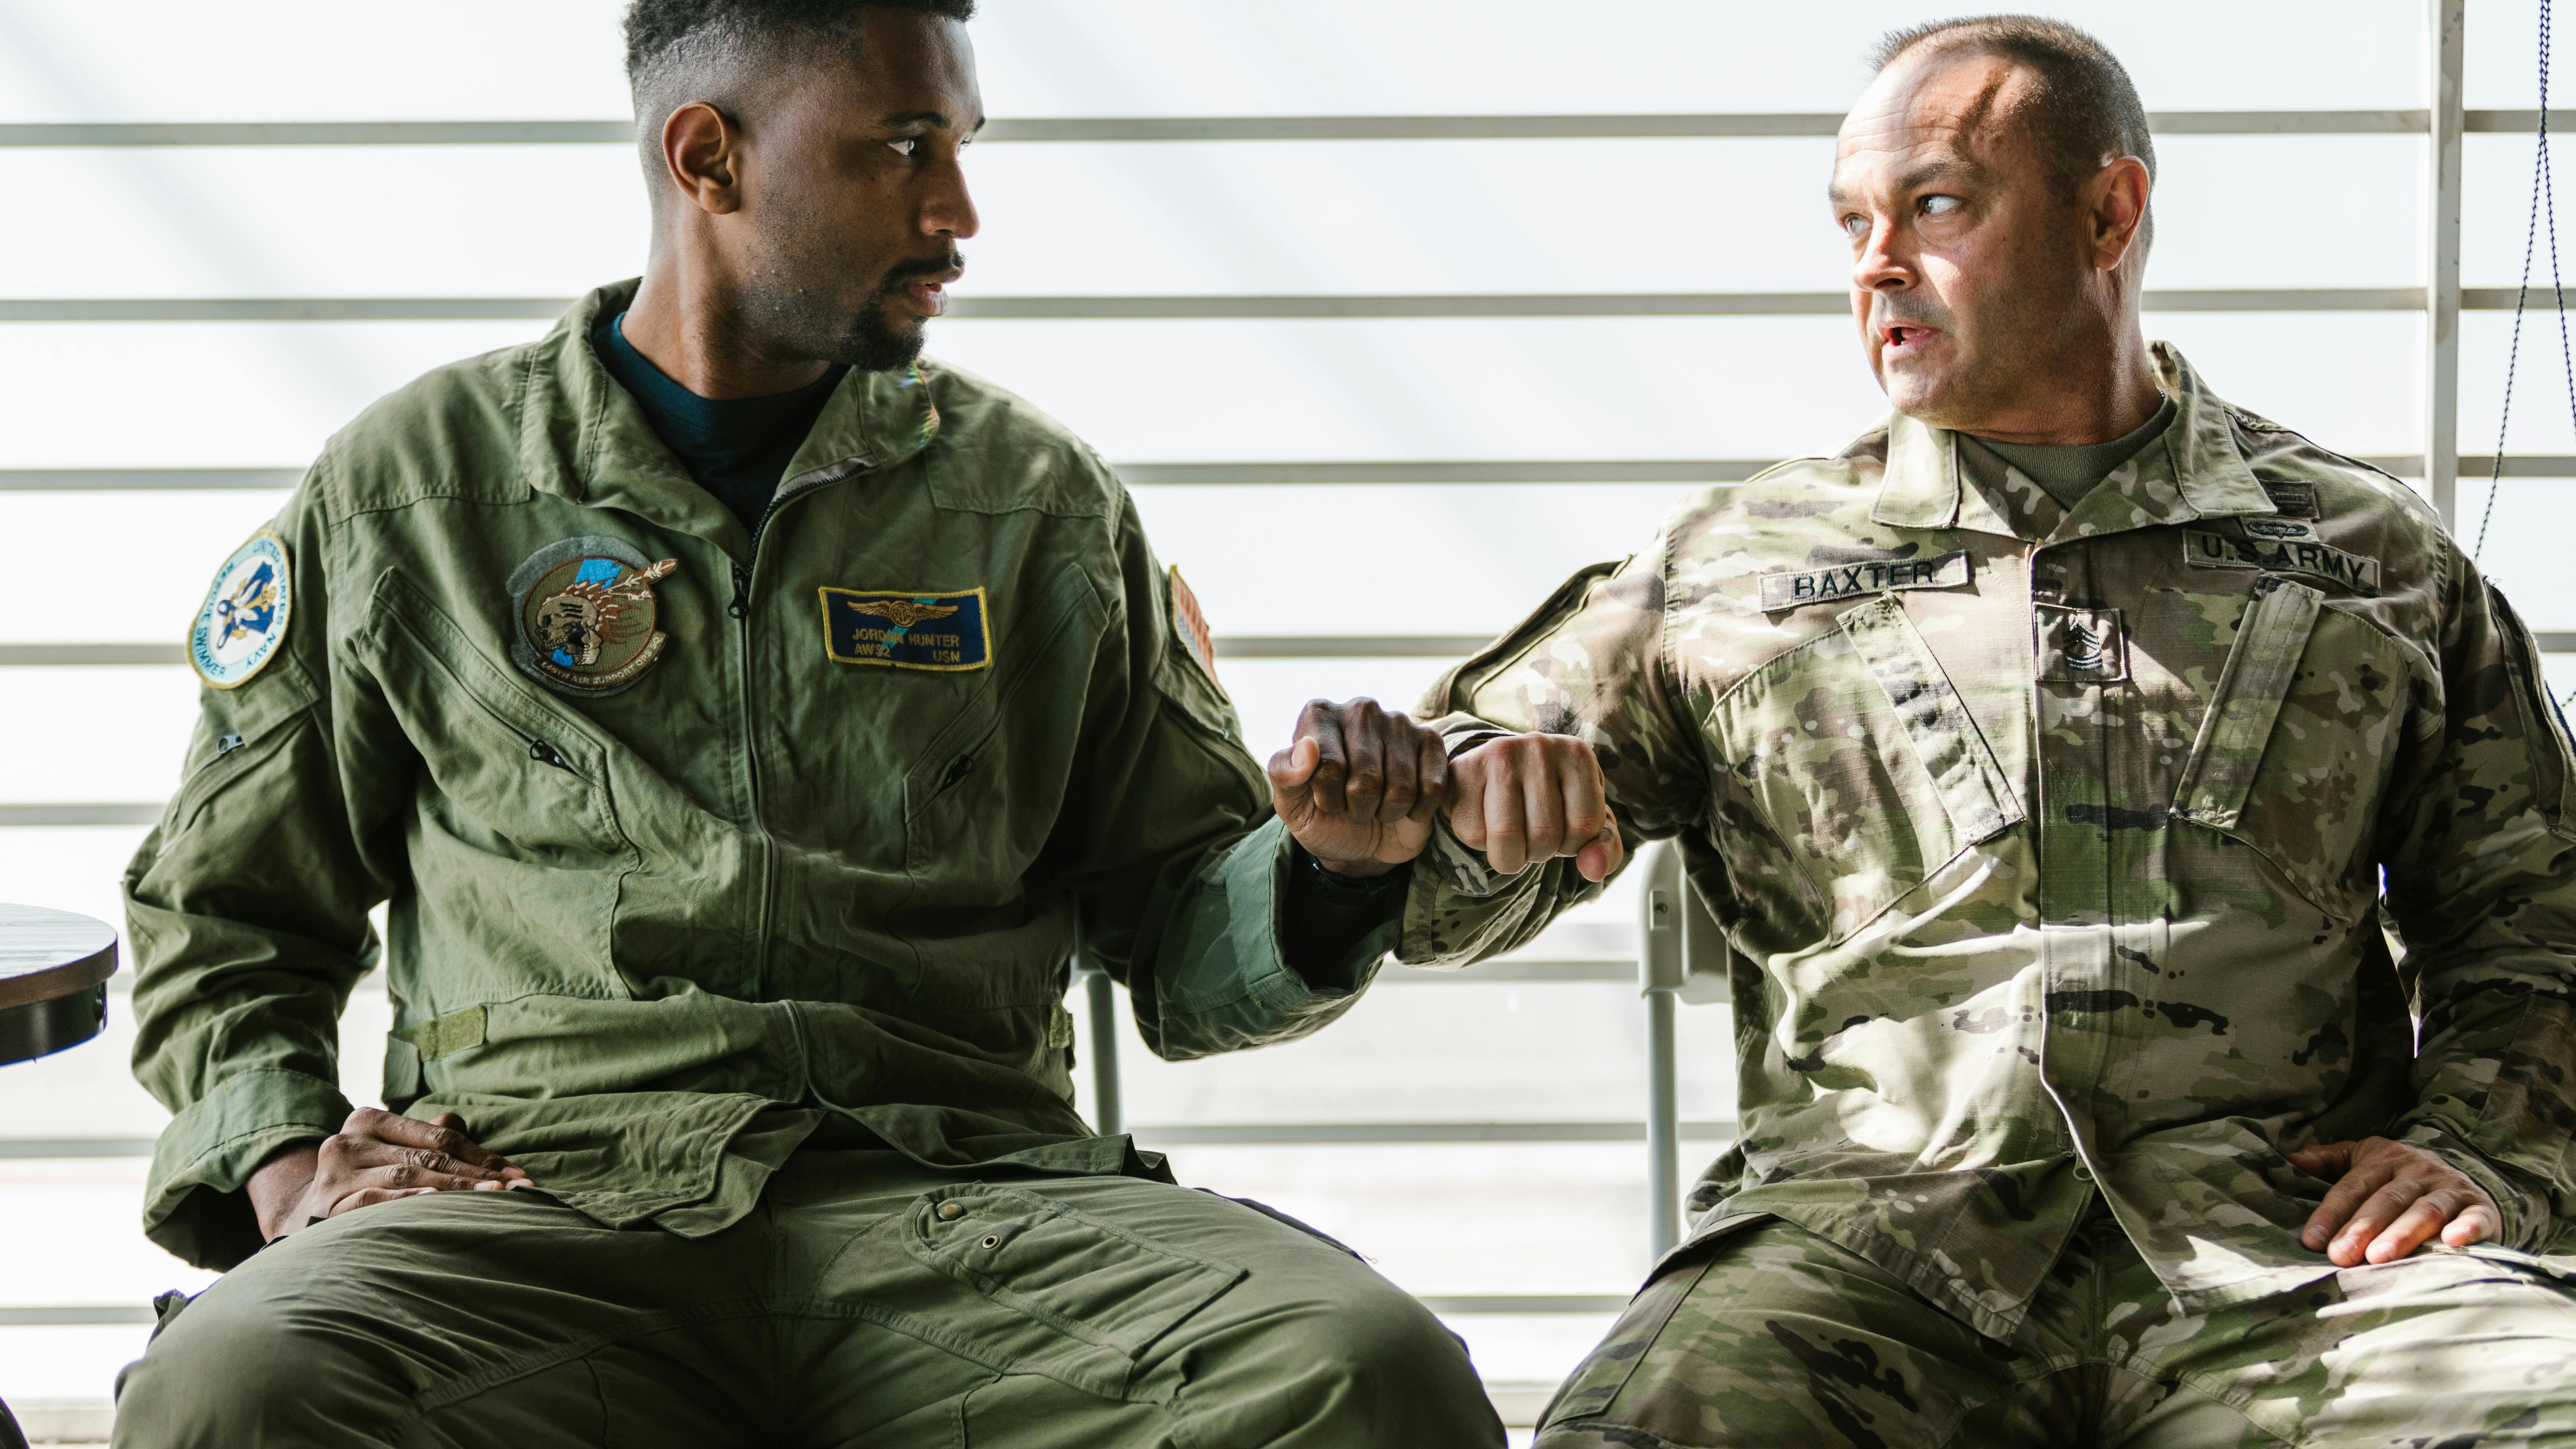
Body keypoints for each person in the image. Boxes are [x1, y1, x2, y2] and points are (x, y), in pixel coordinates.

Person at [107, 2, 1612, 1443]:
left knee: (1362, 1374)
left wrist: (1327, 869)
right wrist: (292, 1163)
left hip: (968, 1208)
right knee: (235, 1385)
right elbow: (221, 909)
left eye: (962, 146)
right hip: (534, 1211)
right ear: (711, 158)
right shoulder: (411, 492)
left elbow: (1174, 939)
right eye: (901, 147)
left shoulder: (1033, 504)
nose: (958, 210)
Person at [1406, 16, 2576, 1446]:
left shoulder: (2362, 553)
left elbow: (2535, 916)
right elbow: (1454, 849)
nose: (1874, 263)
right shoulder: (1733, 567)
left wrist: (2476, 1151)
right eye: (1851, 220)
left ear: (2109, 211)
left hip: (2294, 1259)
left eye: (1935, 205)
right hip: (1866, 1263)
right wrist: (1406, 835)